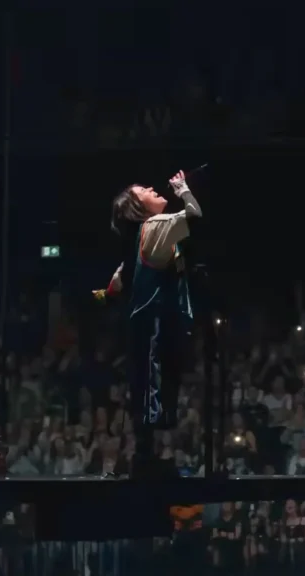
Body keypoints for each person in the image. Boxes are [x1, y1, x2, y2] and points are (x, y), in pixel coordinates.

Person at [97, 170, 202, 471]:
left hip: (149, 328)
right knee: (156, 398)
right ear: (136, 207)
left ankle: (147, 459)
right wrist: (183, 189)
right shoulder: (155, 226)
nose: (152, 188)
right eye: (143, 190)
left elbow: (116, 284)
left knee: (151, 398)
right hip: (156, 328)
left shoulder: (140, 239)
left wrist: (101, 297)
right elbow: (194, 215)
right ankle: (148, 462)